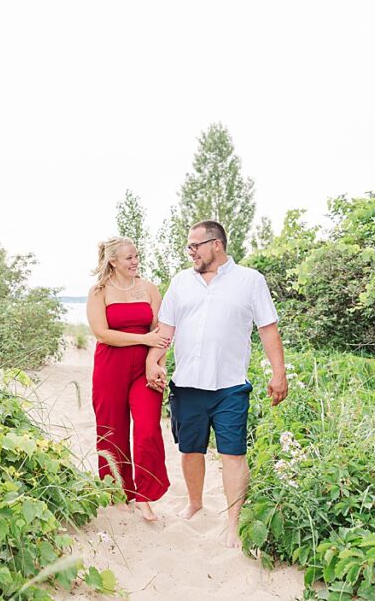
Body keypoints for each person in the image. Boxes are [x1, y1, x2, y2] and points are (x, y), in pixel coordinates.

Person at [145, 220, 288, 548]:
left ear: (216, 245)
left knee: (233, 453)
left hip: (230, 385)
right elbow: (166, 330)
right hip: (187, 384)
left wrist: (279, 373)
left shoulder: (250, 280)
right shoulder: (181, 282)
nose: (190, 252)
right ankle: (195, 503)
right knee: (190, 449)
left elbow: (268, 329)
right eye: (189, 246)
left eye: (195, 245)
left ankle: (233, 521)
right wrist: (153, 361)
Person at [87, 237, 171, 521]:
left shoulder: (149, 288)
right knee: (112, 431)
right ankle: (119, 492)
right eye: (129, 258)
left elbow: (162, 331)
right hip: (110, 368)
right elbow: (101, 333)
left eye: (136, 256)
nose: (135, 262)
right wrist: (142, 338)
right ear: (113, 261)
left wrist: (158, 363)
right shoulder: (99, 291)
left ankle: (146, 496)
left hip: (145, 368)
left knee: (147, 430)